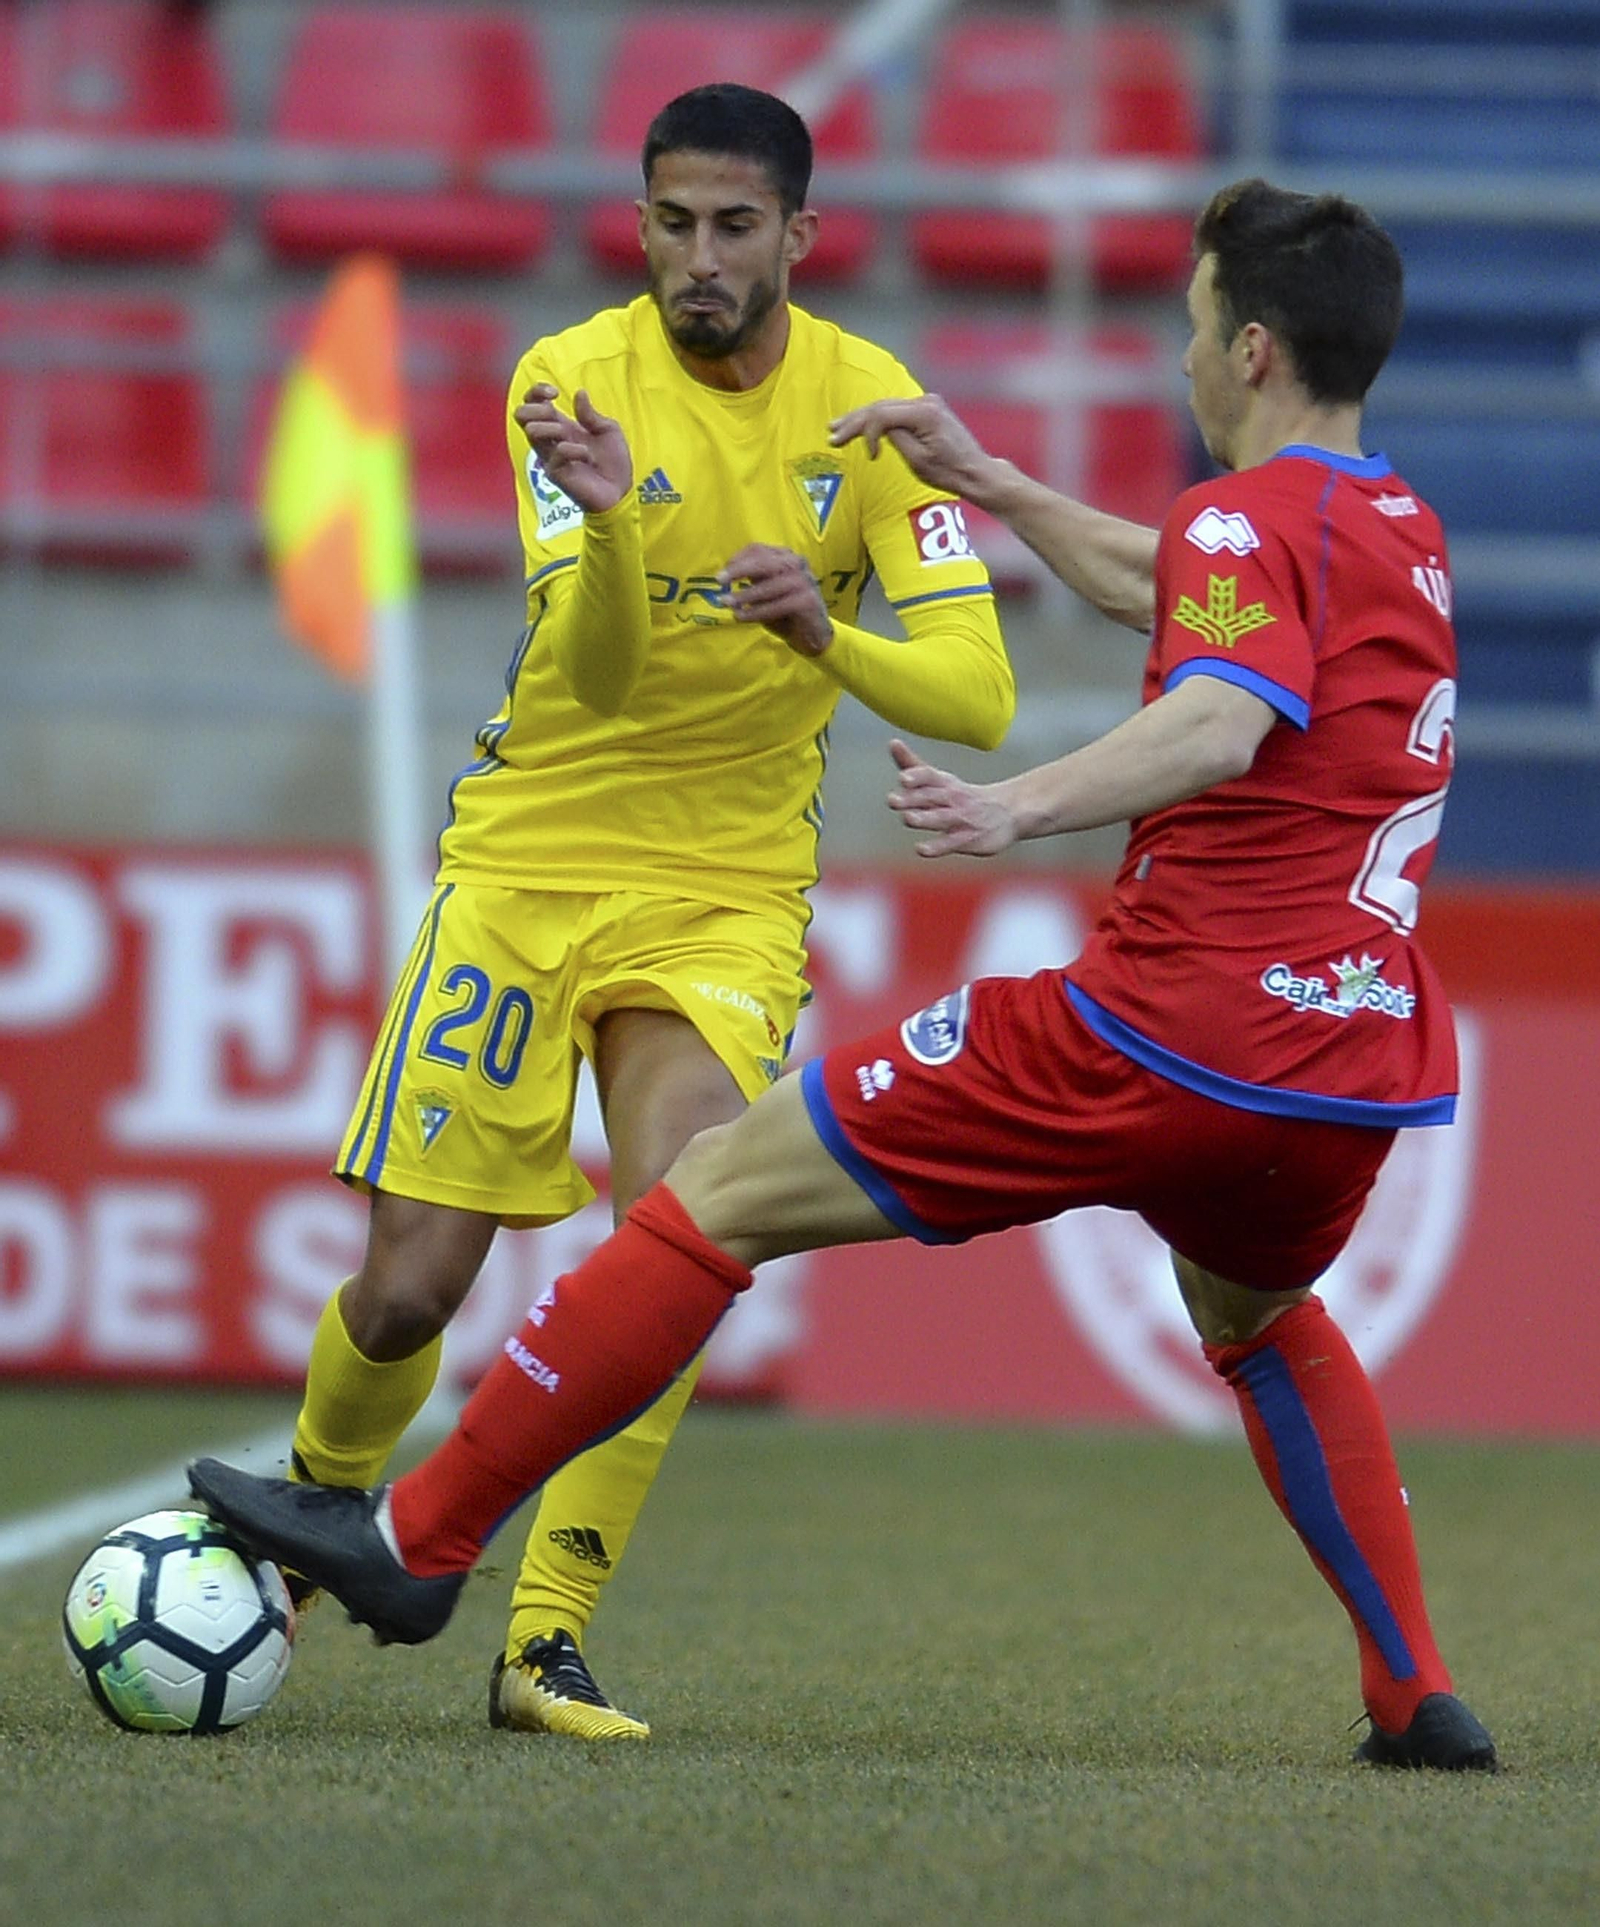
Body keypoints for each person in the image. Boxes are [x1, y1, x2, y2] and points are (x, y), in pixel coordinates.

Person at [192, 178, 1497, 1771]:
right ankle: (1414, 1691)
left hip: (1161, 1027)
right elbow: (1173, 586)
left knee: (715, 1191)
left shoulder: (1243, 520)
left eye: (1188, 330)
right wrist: (994, 481)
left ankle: (423, 1544)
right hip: (1348, 1067)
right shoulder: (1393, 529)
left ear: (1254, 347)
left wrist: (1020, 802)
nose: (1179, 362)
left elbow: (1224, 712)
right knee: (1264, 1313)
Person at [284, 81, 1014, 1741]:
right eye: (671, 223)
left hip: (723, 889)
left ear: (800, 238)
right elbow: (598, 674)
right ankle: (309, 1515)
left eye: (734, 227)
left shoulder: (877, 410)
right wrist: (616, 526)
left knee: (689, 1217)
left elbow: (975, 696)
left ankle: (543, 1640)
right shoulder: (568, 381)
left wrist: (829, 644)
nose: (698, 258)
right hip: (529, 861)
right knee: (409, 1291)